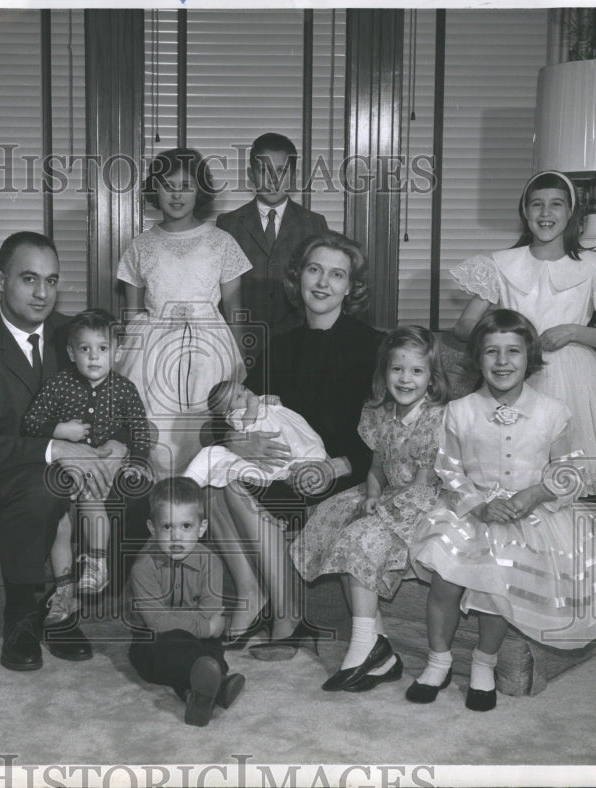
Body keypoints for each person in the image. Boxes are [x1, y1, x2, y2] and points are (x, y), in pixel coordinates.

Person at [406, 310, 596, 711]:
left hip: (528, 514)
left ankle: (485, 662)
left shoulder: (553, 411)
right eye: (491, 352)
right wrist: (476, 504)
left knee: (499, 580)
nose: (502, 361)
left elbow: (568, 469)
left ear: (529, 357)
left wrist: (536, 493)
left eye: (512, 351)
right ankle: (439, 660)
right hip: (474, 511)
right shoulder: (460, 410)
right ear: (477, 358)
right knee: (446, 579)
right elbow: (448, 468)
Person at [0, 232, 127, 672]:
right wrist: (55, 448)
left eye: (52, 280)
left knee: (134, 480)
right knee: (42, 488)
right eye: (29, 279)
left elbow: (115, 399)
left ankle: (74, 608)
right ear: (0, 279)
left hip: (75, 468)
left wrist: (119, 444)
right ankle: (22, 616)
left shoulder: (76, 335)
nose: (43, 293)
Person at [205, 232, 386, 655]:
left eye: (337, 274)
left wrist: (334, 467)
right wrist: (236, 440)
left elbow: (387, 439)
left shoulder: (372, 346)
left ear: (351, 287)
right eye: (314, 269)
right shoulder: (281, 346)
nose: (323, 283)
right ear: (298, 277)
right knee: (211, 475)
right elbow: (230, 409)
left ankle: (288, 616)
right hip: (284, 469)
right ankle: (252, 595)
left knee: (229, 484)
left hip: (342, 474)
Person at [450, 170, 596, 496]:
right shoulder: (501, 264)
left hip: (579, 384)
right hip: (516, 374)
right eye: (536, 204)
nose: (545, 212)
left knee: (570, 479)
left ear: (571, 213)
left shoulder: (595, 267)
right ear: (525, 213)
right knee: (515, 474)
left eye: (556, 204)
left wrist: (575, 332)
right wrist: (512, 338)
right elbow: (463, 327)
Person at [291, 326, 449, 693]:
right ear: (385, 373)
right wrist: (372, 495)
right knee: (330, 519)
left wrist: (384, 509)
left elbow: (424, 483)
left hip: (419, 500)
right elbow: (376, 466)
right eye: (397, 370)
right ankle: (378, 648)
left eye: (416, 371)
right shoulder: (380, 412)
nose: (405, 379)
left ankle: (365, 646)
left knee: (359, 537)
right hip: (388, 491)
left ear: (431, 377)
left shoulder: (436, 418)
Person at [115, 148, 252, 475]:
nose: (176, 194)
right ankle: (160, 510)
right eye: (167, 185)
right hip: (152, 353)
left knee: (205, 433)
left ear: (200, 190)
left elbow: (234, 310)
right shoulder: (140, 246)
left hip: (209, 350)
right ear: (155, 189)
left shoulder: (222, 242)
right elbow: (131, 313)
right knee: (155, 434)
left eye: (186, 186)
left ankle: (203, 510)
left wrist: (242, 360)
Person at [22, 308, 153, 601]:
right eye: (85, 349)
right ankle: (64, 584)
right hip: (64, 467)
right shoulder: (58, 385)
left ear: (116, 352)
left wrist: (138, 462)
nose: (94, 357)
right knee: (58, 519)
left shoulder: (124, 389)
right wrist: (60, 429)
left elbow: (140, 429)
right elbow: (30, 423)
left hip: (102, 467)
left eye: (102, 348)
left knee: (92, 499)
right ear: (71, 353)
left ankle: (96, 564)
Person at [125, 477, 246, 727]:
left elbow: (211, 611)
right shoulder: (143, 567)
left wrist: (207, 629)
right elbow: (158, 623)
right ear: (152, 527)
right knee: (167, 649)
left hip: (200, 642)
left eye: (186, 526)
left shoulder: (210, 562)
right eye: (167, 527)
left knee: (211, 653)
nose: (176, 536)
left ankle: (198, 694)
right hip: (153, 640)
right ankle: (217, 686)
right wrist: (205, 627)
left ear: (202, 528)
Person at [216, 132, 330, 334]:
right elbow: (221, 294)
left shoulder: (314, 224)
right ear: (251, 175)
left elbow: (323, 288)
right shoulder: (228, 224)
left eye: (281, 171)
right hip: (244, 340)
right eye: (263, 170)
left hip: (299, 340)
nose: (273, 180)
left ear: (293, 177)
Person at [183, 380, 327, 488]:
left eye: (244, 389)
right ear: (228, 411)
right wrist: (252, 407)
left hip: (286, 429)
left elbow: (275, 408)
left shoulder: (257, 399)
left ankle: (308, 461)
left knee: (302, 444)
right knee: (285, 458)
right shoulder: (236, 415)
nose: (246, 394)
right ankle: (295, 470)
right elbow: (245, 426)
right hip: (269, 443)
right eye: (239, 397)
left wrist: (273, 402)